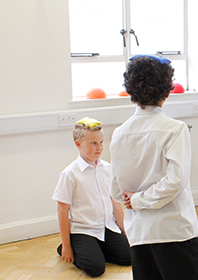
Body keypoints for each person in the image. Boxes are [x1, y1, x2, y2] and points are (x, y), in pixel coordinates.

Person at [110, 54, 198, 280]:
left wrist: (135, 199)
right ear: (166, 92)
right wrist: (139, 200)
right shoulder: (174, 129)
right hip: (174, 231)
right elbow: (176, 181)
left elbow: (116, 191)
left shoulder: (118, 134)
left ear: (131, 91)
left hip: (140, 234)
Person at [52, 117, 131, 277]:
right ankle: (74, 247)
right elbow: (62, 211)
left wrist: (125, 232)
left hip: (106, 226)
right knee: (95, 269)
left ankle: (96, 248)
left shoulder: (107, 169)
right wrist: (67, 246)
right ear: (78, 144)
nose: (99, 148)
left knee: (129, 257)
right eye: (93, 143)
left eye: (101, 142)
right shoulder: (70, 174)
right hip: (83, 229)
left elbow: (115, 204)